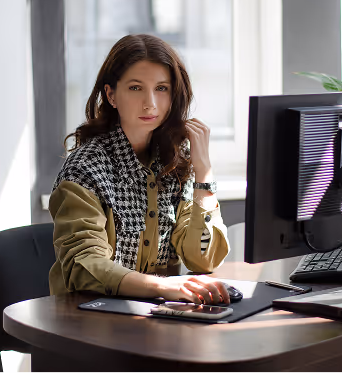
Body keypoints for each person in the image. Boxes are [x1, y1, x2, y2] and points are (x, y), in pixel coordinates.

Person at [49, 34, 230, 305]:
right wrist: (160, 286)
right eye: (135, 88)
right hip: (87, 323)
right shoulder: (85, 170)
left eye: (161, 88)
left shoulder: (176, 160)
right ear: (111, 95)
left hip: (156, 318)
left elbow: (202, 259)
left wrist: (204, 173)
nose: (150, 104)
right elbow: (84, 266)